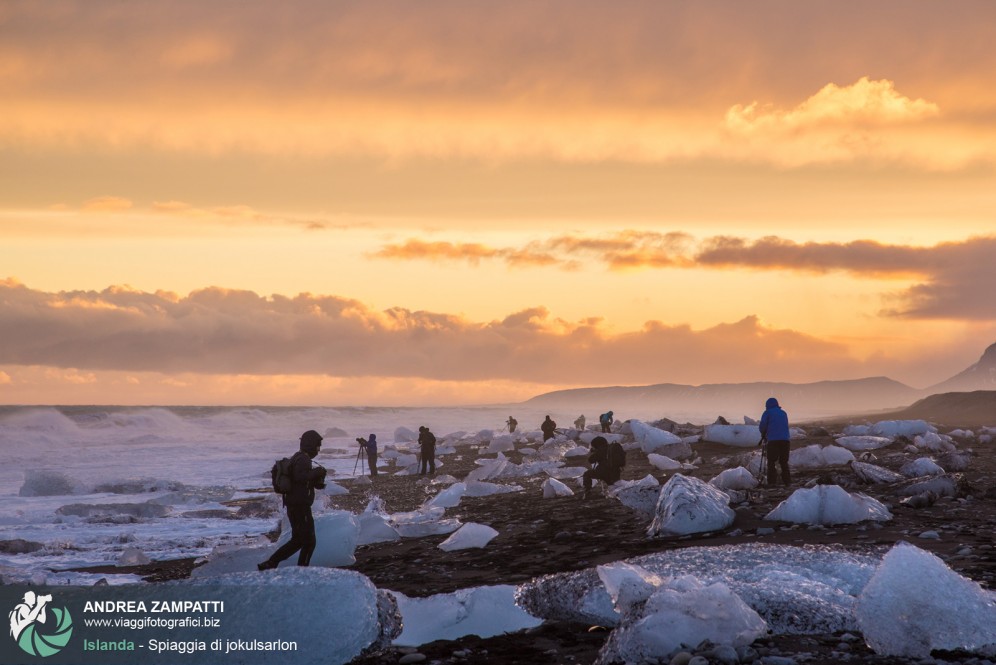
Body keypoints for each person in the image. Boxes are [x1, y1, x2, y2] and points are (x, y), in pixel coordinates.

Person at [258, 430, 327, 570]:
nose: (318, 450)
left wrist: (315, 481)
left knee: (298, 540)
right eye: (317, 446)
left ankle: (271, 563)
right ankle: (302, 570)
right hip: (300, 506)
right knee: (309, 541)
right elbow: (300, 477)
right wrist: (318, 472)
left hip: (293, 504)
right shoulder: (303, 459)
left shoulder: (297, 457)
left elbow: (300, 480)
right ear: (310, 444)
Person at [759, 397, 791, 486]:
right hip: (785, 440)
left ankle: (772, 482)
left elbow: (763, 426)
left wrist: (763, 434)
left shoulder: (767, 413)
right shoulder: (783, 413)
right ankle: (787, 481)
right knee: (784, 462)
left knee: (771, 461)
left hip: (773, 440)